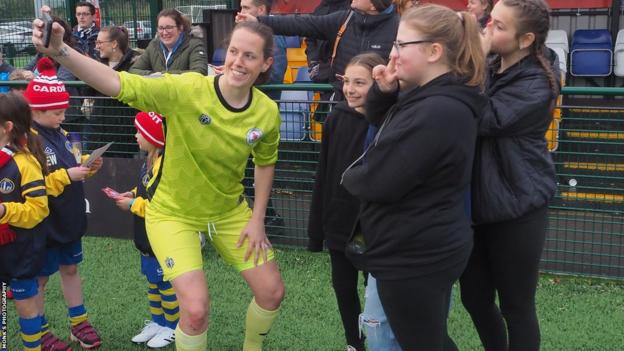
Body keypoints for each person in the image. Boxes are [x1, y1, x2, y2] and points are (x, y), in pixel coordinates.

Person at [32, 18, 285, 351]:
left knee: (272, 292)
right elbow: (117, 82)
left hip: (228, 213)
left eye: (250, 56)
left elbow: (265, 163)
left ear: (266, 63)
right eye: (234, 51)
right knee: (194, 312)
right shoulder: (188, 90)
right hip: (172, 214)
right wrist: (62, 52)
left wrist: (257, 220)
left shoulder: (266, 112)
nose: (238, 61)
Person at [341, 4, 486, 350]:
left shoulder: (438, 109)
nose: (391, 56)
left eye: (401, 45)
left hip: (416, 252)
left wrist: (352, 179)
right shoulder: (428, 96)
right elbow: (377, 122)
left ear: (434, 51)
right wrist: (386, 92)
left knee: (423, 341)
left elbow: (379, 178)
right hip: (417, 244)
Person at [459, 1, 559, 350]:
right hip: (476, 203)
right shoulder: (489, 65)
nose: (487, 29)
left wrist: (471, 60)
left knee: (516, 307)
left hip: (519, 203)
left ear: (526, 39)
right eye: (490, 21)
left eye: (499, 26)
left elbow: (486, 118)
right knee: (474, 298)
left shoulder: (538, 81)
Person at [23, 57, 104, 351]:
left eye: (63, 110)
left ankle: (78, 323)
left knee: (71, 269)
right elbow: (31, 186)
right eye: (56, 111)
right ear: (35, 110)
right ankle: (40, 329)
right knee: (41, 279)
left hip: (68, 218)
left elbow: (69, 164)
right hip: (44, 223)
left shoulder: (63, 133)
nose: (62, 116)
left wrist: (85, 165)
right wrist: (68, 175)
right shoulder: (26, 141)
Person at [308, 52, 385, 351]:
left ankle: (379, 341)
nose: (351, 89)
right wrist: (318, 231)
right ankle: (354, 343)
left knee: (376, 290)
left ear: (377, 83)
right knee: (343, 287)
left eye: (360, 83)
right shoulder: (337, 117)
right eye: (347, 82)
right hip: (340, 220)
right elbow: (324, 174)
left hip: (374, 224)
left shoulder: (391, 118)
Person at [236, 0, 399, 101]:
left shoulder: (398, 27)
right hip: (341, 105)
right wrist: (258, 21)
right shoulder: (344, 19)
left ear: (373, 3)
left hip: (379, 108)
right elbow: (303, 24)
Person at [113, 111, 179, 348]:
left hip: (161, 236)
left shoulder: (166, 165)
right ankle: (158, 321)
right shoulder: (151, 158)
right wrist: (131, 193)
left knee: (165, 284)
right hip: (146, 235)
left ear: (154, 137)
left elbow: (160, 206)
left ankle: (173, 327)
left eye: (140, 132)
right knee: (153, 282)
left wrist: (132, 204)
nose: (135, 136)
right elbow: (145, 186)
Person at [0, 93, 50, 351]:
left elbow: (38, 210)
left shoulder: (25, 162)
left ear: (7, 127)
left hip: (21, 248)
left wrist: (4, 210)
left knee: (25, 305)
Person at [87, 25, 141, 156]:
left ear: (114, 44)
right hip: (99, 129)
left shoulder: (136, 64)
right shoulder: (98, 63)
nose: (97, 46)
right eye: (96, 42)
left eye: (100, 42)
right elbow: (89, 90)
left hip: (123, 130)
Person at [129, 8, 207, 76]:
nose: (165, 32)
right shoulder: (154, 45)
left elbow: (200, 72)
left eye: (169, 27)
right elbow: (133, 70)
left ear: (180, 28)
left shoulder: (194, 45)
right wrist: (152, 75)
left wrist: (164, 76)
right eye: (161, 28)